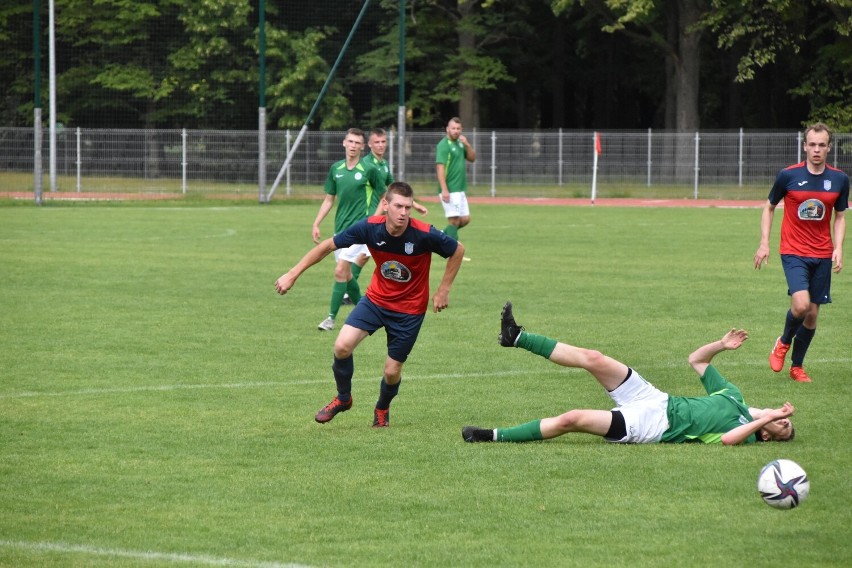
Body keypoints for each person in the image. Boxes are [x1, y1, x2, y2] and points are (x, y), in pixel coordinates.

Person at [462, 302, 796, 445]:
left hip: (652, 426)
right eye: (786, 418)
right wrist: (720, 345)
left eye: (783, 426)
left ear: (767, 436)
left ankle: (490, 435)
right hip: (655, 399)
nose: (783, 419)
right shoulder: (733, 396)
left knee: (572, 419)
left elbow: (726, 439)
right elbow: (697, 361)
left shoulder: (747, 431)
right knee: (594, 358)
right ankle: (516, 337)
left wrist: (763, 422)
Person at [276, 182, 465, 428]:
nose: (404, 212)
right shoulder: (369, 228)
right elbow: (327, 246)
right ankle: (344, 399)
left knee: (391, 371)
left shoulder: (424, 233)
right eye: (398, 206)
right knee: (342, 346)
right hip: (376, 301)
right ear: (385, 205)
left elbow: (457, 250)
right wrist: (292, 274)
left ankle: (382, 407)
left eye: (408, 207)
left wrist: (443, 289)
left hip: (409, 311)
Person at [754, 122, 848, 383]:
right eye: (812, 144)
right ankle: (783, 342)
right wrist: (764, 243)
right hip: (793, 251)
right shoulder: (788, 176)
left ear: (829, 148)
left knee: (812, 315)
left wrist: (839, 247)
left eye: (822, 145)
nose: (816, 149)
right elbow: (769, 206)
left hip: (822, 254)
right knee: (801, 305)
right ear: (804, 146)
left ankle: (797, 366)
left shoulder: (839, 179)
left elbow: (840, 216)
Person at [342, 128, 429, 306]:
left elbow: (393, 188)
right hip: (371, 217)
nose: (381, 145)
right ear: (370, 144)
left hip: (383, 215)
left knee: (363, 256)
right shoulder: (368, 165)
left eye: (383, 142)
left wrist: (416, 204)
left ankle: (348, 291)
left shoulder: (383, 164)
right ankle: (349, 292)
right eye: (377, 142)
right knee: (356, 258)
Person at [312, 128, 386, 331]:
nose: (353, 146)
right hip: (341, 231)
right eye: (350, 142)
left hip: (360, 231)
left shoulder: (369, 169)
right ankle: (367, 309)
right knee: (347, 277)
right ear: (344, 143)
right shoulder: (336, 169)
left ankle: (330, 319)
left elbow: (384, 196)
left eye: (357, 143)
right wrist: (317, 222)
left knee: (340, 271)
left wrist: (374, 219)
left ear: (362, 147)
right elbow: (329, 199)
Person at [435, 117, 476, 241]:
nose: (456, 131)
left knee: (465, 219)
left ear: (461, 130)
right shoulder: (443, 145)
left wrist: (467, 145)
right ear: (448, 129)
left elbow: (472, 158)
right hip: (450, 189)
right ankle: (454, 250)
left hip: (460, 189)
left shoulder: (460, 143)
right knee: (454, 220)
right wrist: (444, 190)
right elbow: (440, 168)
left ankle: (441, 235)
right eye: (453, 128)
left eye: (458, 129)